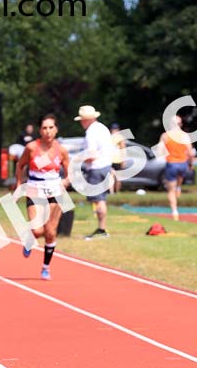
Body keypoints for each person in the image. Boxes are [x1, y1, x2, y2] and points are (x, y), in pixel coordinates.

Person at [15, 113, 70, 280]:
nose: (48, 131)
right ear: (40, 130)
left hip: (54, 191)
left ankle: (45, 268)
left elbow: (69, 172)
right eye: (44, 128)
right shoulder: (32, 148)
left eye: (51, 128)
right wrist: (18, 185)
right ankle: (30, 238)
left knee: (50, 232)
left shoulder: (61, 150)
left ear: (56, 129)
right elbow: (20, 165)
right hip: (35, 189)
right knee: (37, 229)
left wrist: (66, 181)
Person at [75, 105, 114, 239]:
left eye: (82, 120)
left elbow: (91, 155)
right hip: (106, 165)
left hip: (97, 167)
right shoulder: (103, 128)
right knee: (101, 199)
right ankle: (101, 228)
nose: (81, 123)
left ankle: (101, 229)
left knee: (98, 200)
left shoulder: (91, 132)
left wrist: (78, 160)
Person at [158, 114, 195, 221]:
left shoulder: (165, 135)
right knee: (177, 183)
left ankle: (174, 211)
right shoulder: (184, 136)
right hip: (182, 163)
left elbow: (159, 151)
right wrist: (191, 164)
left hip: (172, 163)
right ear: (181, 124)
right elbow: (191, 153)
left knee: (170, 190)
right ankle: (178, 187)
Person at [110, 123, 127, 194]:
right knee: (115, 177)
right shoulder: (120, 137)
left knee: (113, 177)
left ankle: (113, 192)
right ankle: (115, 192)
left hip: (114, 160)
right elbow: (123, 149)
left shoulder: (109, 137)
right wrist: (124, 160)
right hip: (115, 160)